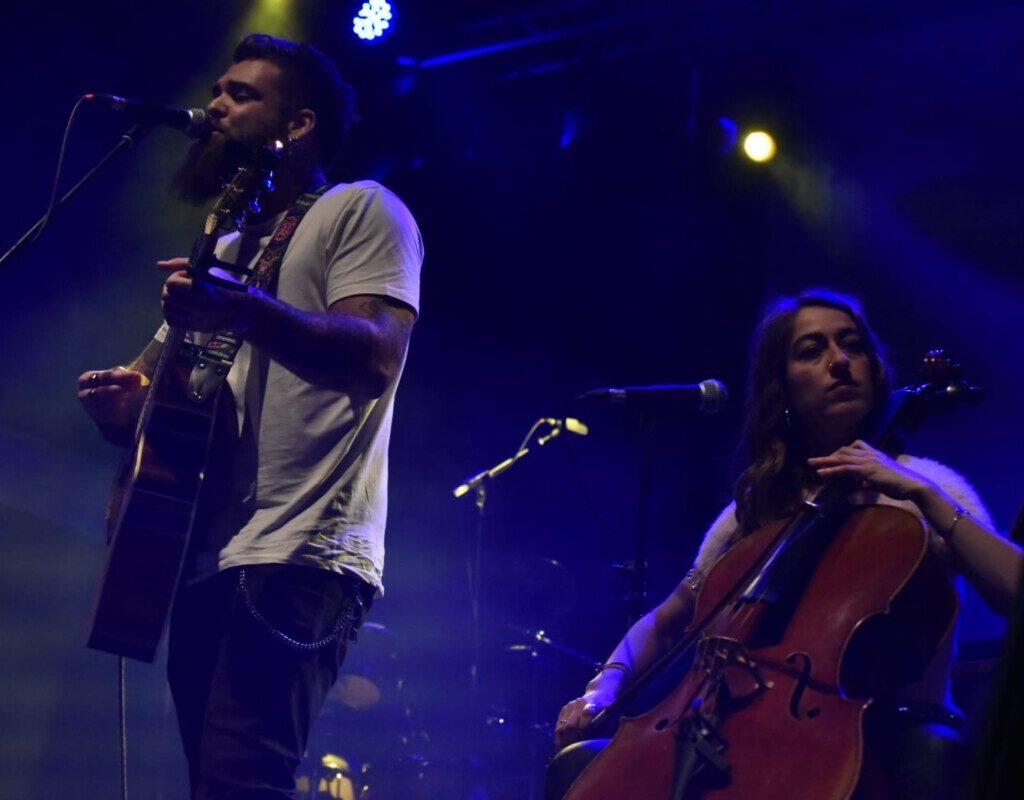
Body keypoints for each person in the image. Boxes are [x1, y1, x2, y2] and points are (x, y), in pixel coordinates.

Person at [77, 34, 423, 799]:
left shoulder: (360, 208)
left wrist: (244, 310)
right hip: (206, 555)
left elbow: (377, 355)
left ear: (297, 125)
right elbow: (159, 389)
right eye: (217, 90)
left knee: (243, 780)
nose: (215, 106)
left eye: (241, 94)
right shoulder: (226, 246)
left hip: (300, 547)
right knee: (216, 785)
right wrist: (123, 407)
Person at [549, 289, 1022, 800]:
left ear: (874, 368)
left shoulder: (928, 488)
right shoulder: (754, 512)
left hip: (882, 732)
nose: (839, 361)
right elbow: (666, 623)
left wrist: (925, 496)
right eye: (812, 351)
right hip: (734, 732)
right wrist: (603, 687)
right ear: (784, 388)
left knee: (933, 754)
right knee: (579, 765)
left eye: (852, 346)